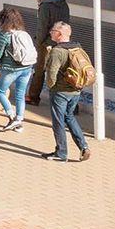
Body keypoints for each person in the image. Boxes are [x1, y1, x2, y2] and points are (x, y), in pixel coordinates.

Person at [41, 20, 94, 162]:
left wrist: (51, 87)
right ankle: (83, 146)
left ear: (59, 34)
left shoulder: (57, 51)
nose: (50, 33)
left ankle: (61, 153)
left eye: (53, 31)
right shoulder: (78, 48)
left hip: (60, 91)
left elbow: (51, 74)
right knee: (69, 116)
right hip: (75, 90)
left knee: (58, 121)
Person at [0, 5, 38, 130]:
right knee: (20, 95)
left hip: (10, 69)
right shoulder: (24, 33)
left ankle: (11, 117)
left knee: (1, 92)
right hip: (27, 67)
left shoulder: (4, 34)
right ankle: (19, 121)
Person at [28, 0, 71, 108]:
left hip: (47, 42)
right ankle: (69, 102)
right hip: (62, 40)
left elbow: (42, 27)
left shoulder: (45, 6)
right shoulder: (63, 3)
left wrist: (39, 43)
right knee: (62, 70)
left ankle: (33, 97)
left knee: (40, 70)